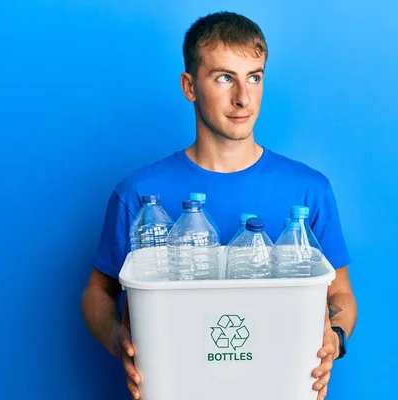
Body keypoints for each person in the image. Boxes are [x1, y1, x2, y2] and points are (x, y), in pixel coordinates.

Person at [81, 11, 358, 400]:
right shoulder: (138, 193)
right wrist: (119, 339)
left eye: (254, 77)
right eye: (224, 77)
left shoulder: (309, 190)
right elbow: (97, 291)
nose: (243, 97)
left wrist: (336, 337)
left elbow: (340, 295)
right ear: (190, 86)